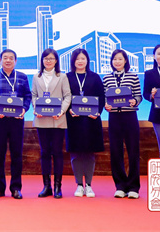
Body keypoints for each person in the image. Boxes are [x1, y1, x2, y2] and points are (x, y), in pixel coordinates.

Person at [0, 49, 31, 200]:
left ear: (15, 61)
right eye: (5, 58)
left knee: (16, 154)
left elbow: (27, 96)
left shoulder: (22, 77)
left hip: (17, 120)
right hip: (0, 120)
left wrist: (24, 109)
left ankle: (16, 188)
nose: (8, 60)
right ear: (0, 60)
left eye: (11, 58)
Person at [65, 48, 105, 198]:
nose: (80, 61)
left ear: (87, 60)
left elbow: (101, 97)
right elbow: (64, 96)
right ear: (73, 61)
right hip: (73, 120)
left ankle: (88, 185)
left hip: (91, 121)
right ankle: (79, 185)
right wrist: (69, 110)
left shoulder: (95, 77)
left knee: (89, 153)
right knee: (75, 153)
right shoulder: (67, 77)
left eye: (83, 58)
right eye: (77, 59)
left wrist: (97, 112)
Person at [103, 49, 142, 199]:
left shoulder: (133, 76)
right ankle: (120, 186)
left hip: (130, 116)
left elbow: (138, 95)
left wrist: (135, 101)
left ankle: (133, 187)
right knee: (115, 151)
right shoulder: (107, 78)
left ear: (125, 61)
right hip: (114, 117)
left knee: (133, 151)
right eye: (115, 59)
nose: (117, 61)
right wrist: (106, 105)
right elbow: (105, 97)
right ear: (111, 61)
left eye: (120, 59)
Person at [32, 49, 71, 199]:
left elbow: (67, 96)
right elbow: (34, 95)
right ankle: (46, 186)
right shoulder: (36, 76)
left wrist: (61, 111)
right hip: (41, 119)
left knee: (57, 152)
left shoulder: (62, 76)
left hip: (57, 119)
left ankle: (57, 187)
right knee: (44, 152)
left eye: (51, 58)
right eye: (45, 58)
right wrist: (36, 108)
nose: (48, 61)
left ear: (56, 61)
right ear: (42, 60)